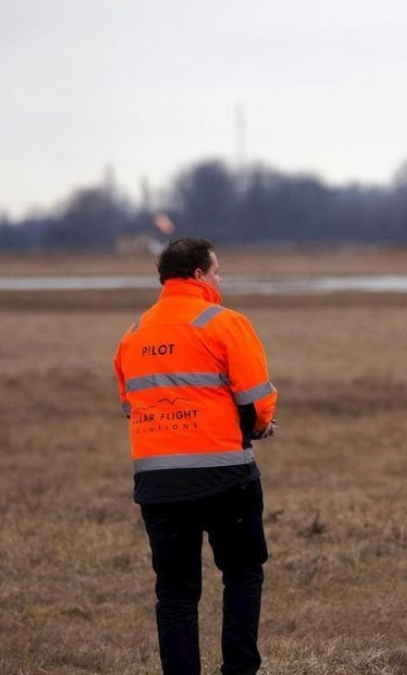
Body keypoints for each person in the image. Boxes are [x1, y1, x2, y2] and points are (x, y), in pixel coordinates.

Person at [114, 237, 278, 675]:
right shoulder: (225, 323)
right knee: (242, 573)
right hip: (225, 475)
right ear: (199, 275)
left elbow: (131, 404)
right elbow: (257, 399)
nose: (221, 279)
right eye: (217, 271)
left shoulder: (134, 333)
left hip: (158, 482)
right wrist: (260, 428)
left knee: (175, 592)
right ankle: (239, 670)